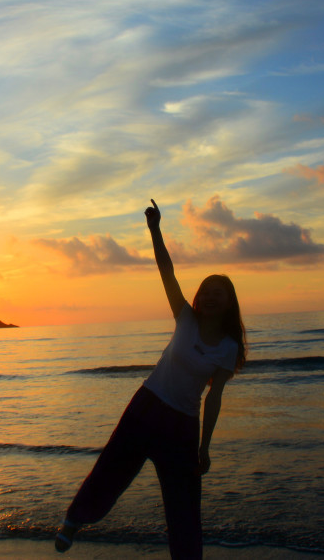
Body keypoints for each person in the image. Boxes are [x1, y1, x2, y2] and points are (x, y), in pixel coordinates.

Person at [55, 199, 247, 559]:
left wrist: (205, 447)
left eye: (216, 293)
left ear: (228, 302)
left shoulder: (227, 348)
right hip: (147, 407)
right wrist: (155, 230)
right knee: (112, 470)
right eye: (205, 291)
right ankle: (74, 519)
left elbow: (214, 398)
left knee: (185, 503)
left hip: (182, 427)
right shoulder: (185, 318)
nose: (207, 296)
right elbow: (167, 272)